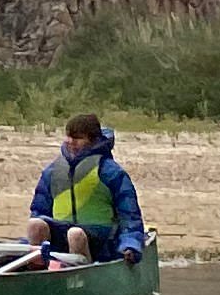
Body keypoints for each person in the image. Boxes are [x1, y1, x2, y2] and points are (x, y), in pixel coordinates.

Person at [25, 113, 147, 265]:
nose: (71, 142)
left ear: (93, 140)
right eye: (69, 136)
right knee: (35, 225)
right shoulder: (52, 172)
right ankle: (38, 271)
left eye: (77, 138)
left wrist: (130, 245)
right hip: (61, 234)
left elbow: (130, 218)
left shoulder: (110, 172)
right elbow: (39, 210)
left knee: (75, 234)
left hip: (100, 239)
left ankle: (81, 278)